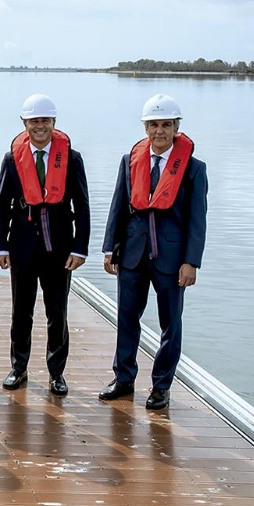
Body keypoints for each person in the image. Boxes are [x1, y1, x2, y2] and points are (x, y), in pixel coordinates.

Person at [99, 94, 207, 410]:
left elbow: (197, 219)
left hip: (172, 261)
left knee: (170, 324)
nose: (159, 131)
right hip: (132, 254)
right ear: (145, 128)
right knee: (126, 318)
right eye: (153, 125)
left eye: (166, 125)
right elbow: (118, 205)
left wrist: (191, 261)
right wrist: (110, 249)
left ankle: (161, 386)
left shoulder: (193, 169)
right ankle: (123, 379)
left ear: (176, 128)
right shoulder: (129, 162)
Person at [0, 94, 90, 396]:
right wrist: (0, 245)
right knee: (21, 311)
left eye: (45, 121)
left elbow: (83, 206)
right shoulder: (12, 158)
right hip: (22, 246)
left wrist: (80, 248)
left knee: (57, 312)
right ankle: (18, 367)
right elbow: (2, 204)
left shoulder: (71, 158)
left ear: (53, 123)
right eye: (34, 121)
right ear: (24, 124)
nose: (39, 127)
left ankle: (56, 372)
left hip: (59, 248)